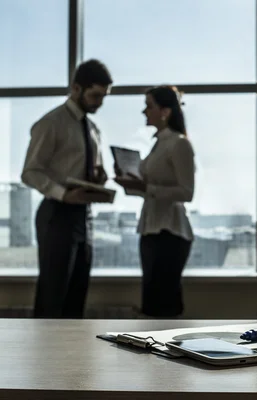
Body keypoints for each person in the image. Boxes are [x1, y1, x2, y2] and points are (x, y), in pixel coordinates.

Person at [21, 59, 113, 318]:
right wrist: (64, 194)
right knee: (53, 295)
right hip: (56, 214)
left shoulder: (93, 128)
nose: (99, 102)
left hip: (84, 216)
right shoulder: (52, 123)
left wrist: (98, 178)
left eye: (103, 97)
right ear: (75, 88)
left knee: (76, 296)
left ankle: (72, 359)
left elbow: (89, 169)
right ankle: (45, 359)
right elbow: (30, 171)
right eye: (95, 95)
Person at [114, 85, 195, 318]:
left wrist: (145, 187)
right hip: (152, 229)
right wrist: (133, 184)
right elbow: (152, 191)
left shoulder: (179, 143)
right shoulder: (159, 143)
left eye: (149, 106)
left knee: (163, 303)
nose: (144, 111)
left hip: (170, 232)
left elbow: (186, 192)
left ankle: (166, 351)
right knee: (151, 303)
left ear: (165, 111)